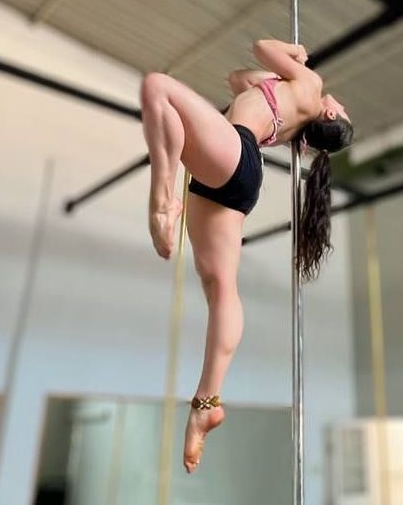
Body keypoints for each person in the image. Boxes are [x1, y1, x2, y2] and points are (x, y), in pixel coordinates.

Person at [140, 39, 353, 474]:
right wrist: (281, 73)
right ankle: (206, 402)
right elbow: (238, 81)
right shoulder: (294, 109)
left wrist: (293, 52)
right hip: (234, 171)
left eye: (344, 110)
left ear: (330, 115)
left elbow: (260, 46)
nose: (342, 103)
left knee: (158, 87)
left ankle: (163, 201)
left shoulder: (312, 86)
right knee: (219, 288)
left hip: (236, 155)